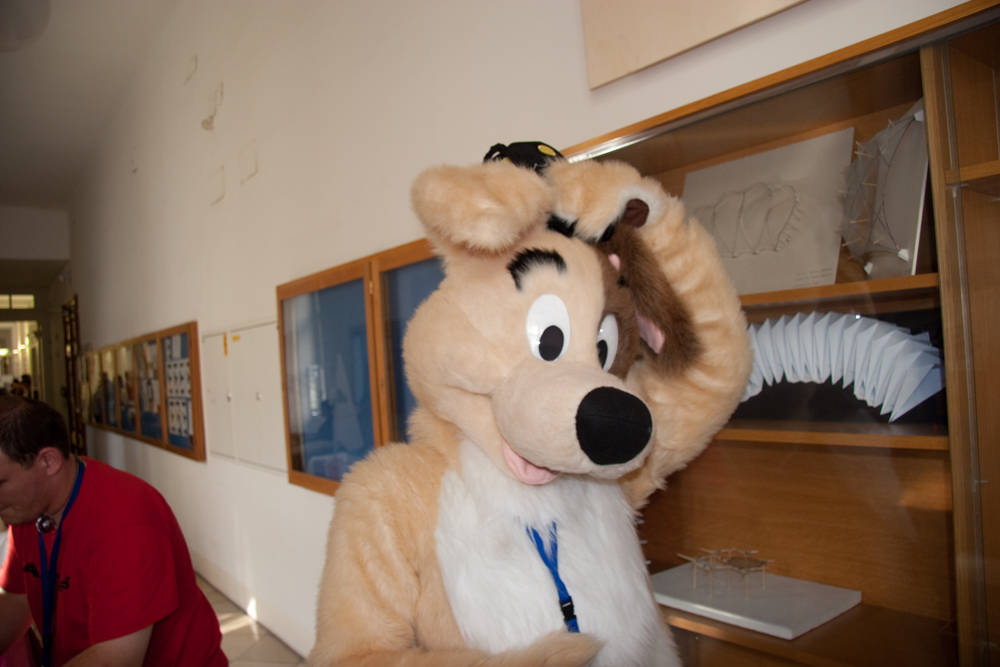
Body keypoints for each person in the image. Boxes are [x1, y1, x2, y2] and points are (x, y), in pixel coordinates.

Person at [0, 396, 227, 666]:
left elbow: (116, 657)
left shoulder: (124, 520)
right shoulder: (27, 509)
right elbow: (17, 601)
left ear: (49, 462)